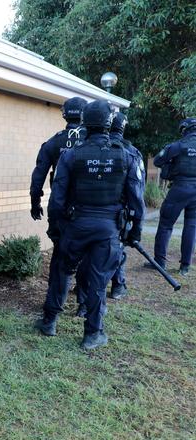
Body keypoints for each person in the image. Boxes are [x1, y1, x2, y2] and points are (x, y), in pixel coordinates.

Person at [36, 100, 145, 349]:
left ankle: (49, 321)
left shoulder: (71, 155)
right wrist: (134, 232)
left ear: (86, 122)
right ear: (109, 124)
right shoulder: (126, 156)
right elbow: (136, 201)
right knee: (98, 281)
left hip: (75, 227)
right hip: (107, 230)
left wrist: (55, 228)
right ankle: (92, 334)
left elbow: (57, 199)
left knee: (62, 273)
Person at [75, 112, 143, 314]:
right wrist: (136, 228)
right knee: (112, 256)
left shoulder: (85, 149)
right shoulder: (130, 152)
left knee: (88, 259)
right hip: (114, 218)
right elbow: (137, 194)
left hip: (85, 217)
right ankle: (117, 286)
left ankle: (83, 301)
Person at [30, 97, 87, 329]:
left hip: (60, 208)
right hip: (88, 210)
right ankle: (83, 305)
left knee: (60, 258)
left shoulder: (54, 143)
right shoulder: (94, 143)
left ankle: (51, 309)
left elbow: (39, 175)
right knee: (86, 257)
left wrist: (35, 201)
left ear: (65, 115)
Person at [148, 117, 196, 275]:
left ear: (185, 130)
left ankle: (160, 262)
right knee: (191, 226)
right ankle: (185, 267)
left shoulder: (178, 145)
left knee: (166, 224)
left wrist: (171, 166)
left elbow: (157, 161)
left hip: (180, 188)